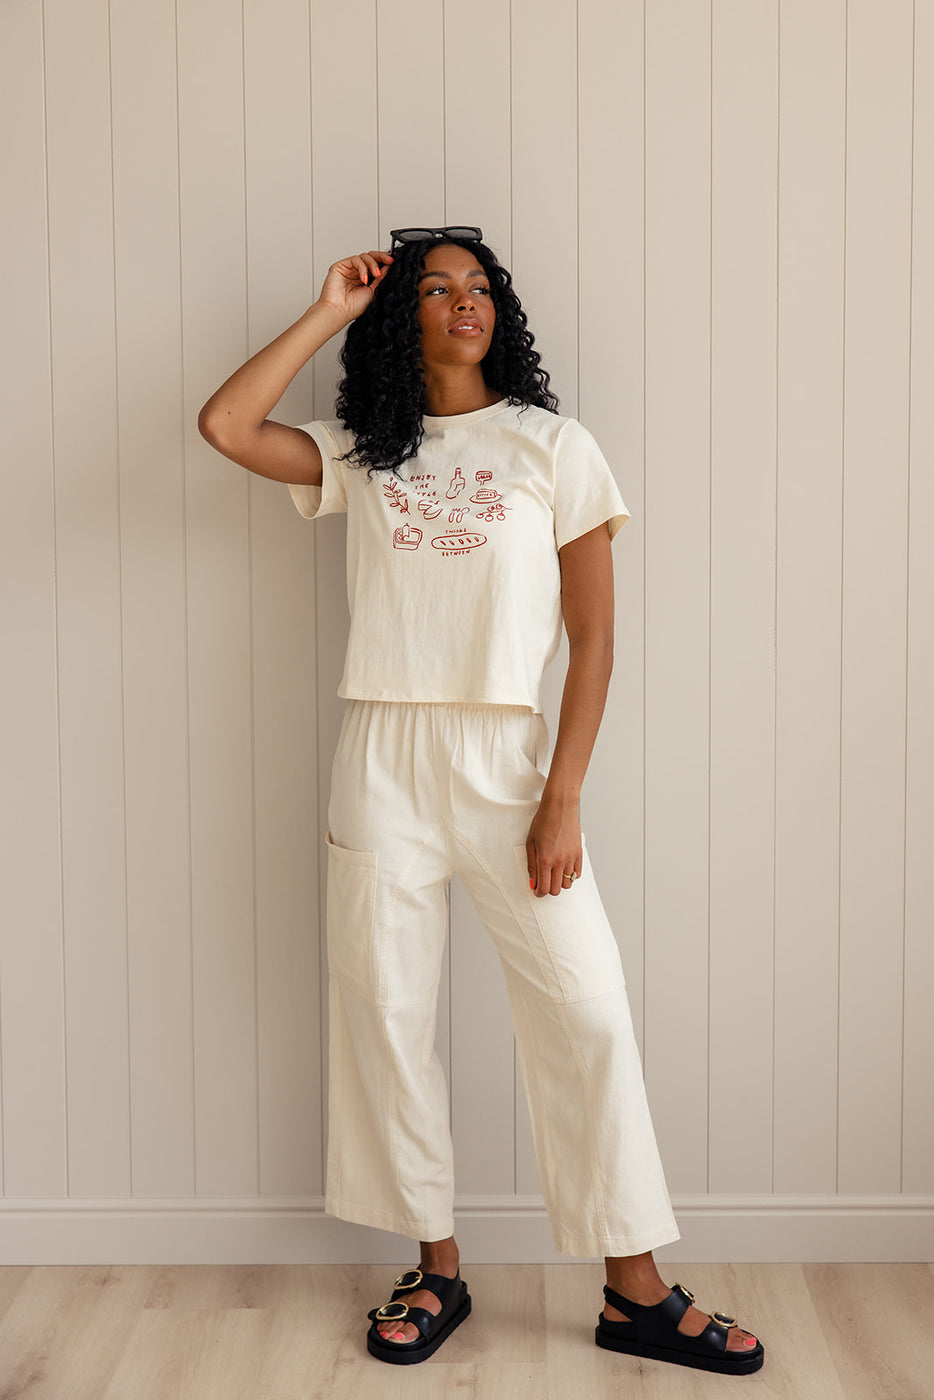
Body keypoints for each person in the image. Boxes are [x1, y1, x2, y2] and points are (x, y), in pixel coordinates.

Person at [198, 226, 763, 1375]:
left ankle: (634, 1285)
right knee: (386, 1014)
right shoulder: (365, 449)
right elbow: (225, 426)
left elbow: (595, 639)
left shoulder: (552, 445)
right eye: (436, 287)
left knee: (585, 1009)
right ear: (400, 317)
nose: (465, 301)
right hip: (380, 752)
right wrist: (329, 309)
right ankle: (436, 1266)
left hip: (507, 761)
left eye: (479, 286)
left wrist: (562, 796)